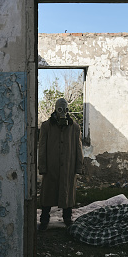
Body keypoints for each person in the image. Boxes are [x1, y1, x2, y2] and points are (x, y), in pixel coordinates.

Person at [38, 98, 83, 230]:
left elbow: (78, 148)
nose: (62, 112)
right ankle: (44, 219)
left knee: (67, 193)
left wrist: (78, 166)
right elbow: (42, 148)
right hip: (51, 168)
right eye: (60, 109)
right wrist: (43, 166)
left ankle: (67, 218)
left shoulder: (74, 127)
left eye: (65, 109)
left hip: (68, 167)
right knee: (47, 194)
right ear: (55, 110)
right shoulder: (46, 126)